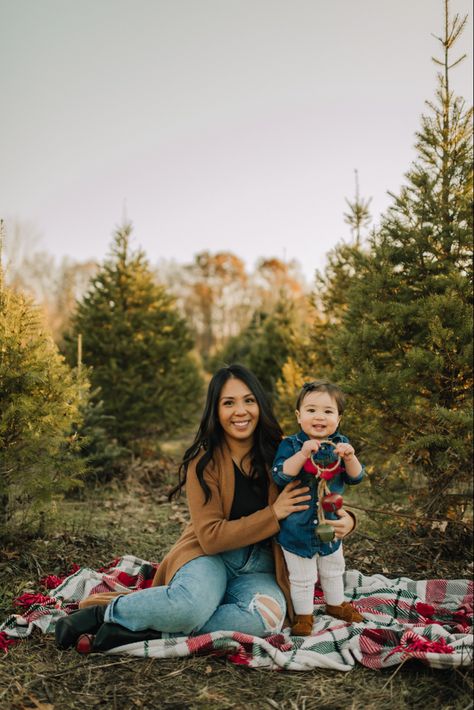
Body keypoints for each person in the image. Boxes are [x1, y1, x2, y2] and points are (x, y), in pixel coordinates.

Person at [56, 365, 357, 652]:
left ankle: (145, 628)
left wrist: (348, 520)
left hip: (263, 565)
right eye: (229, 403)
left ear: (259, 406)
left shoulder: (285, 450)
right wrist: (273, 513)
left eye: (248, 401)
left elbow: (326, 487)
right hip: (211, 557)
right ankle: (104, 614)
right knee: (189, 606)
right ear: (216, 410)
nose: (240, 411)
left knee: (266, 619)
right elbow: (211, 537)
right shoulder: (204, 463)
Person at [272, 380, 365, 636]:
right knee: (302, 575)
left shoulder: (340, 445)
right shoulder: (290, 445)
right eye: (311, 410)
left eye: (328, 411)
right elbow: (280, 475)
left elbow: (356, 477)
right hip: (297, 528)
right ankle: (304, 615)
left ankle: (335, 604)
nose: (319, 417)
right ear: (299, 416)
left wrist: (350, 457)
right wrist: (303, 454)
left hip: (331, 524)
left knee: (334, 567)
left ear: (339, 417)